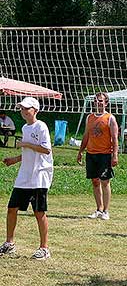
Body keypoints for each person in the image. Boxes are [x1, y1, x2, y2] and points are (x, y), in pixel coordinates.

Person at [0, 97, 53, 259]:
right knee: (12, 208)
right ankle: (9, 243)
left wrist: (25, 144)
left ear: (35, 110)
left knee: (39, 212)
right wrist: (14, 160)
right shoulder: (24, 127)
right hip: (25, 175)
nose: (23, 111)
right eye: (21, 108)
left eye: (26, 108)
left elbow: (46, 150)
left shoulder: (41, 126)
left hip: (39, 175)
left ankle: (44, 248)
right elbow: (28, 153)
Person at [77, 92, 119, 220]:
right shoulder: (89, 117)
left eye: (101, 100)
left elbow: (115, 138)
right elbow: (86, 135)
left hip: (105, 154)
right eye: (96, 100)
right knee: (95, 181)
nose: (98, 102)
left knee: (105, 182)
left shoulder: (110, 118)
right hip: (91, 154)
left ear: (106, 103)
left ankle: (106, 211)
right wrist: (80, 151)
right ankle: (99, 209)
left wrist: (115, 155)